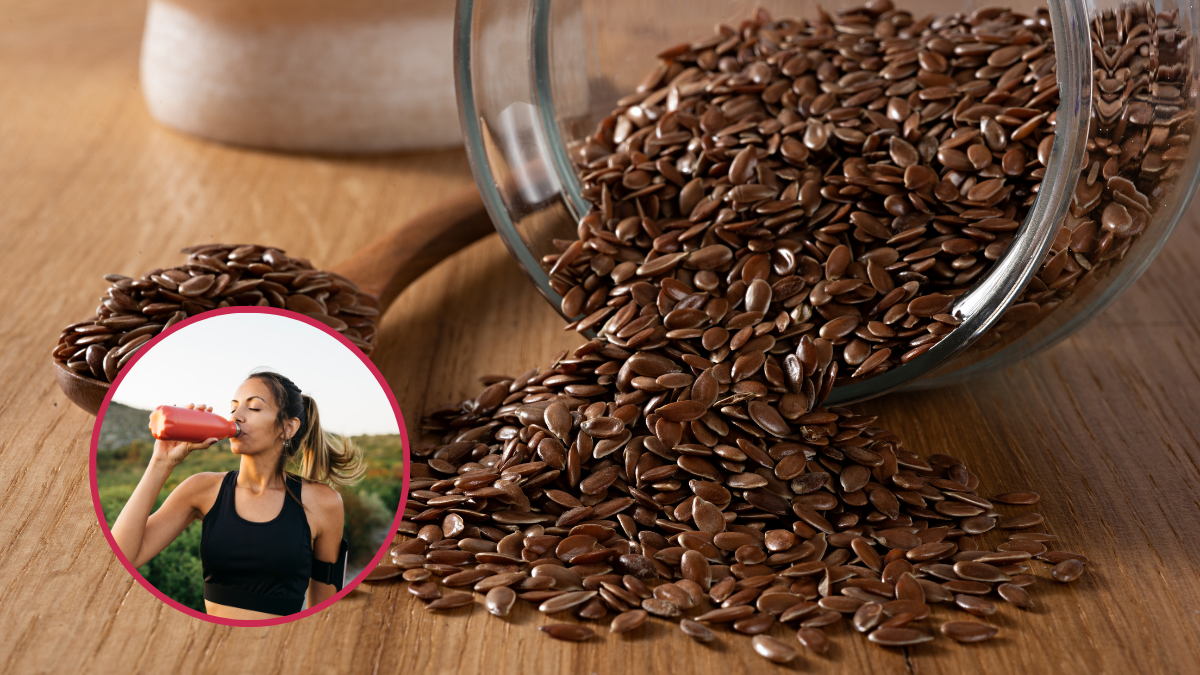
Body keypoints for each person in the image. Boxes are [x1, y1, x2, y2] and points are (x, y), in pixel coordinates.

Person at [111, 371, 364, 619]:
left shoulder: (322, 502)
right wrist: (160, 462)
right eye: (233, 408)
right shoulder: (202, 489)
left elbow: (325, 611)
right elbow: (119, 558)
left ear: (287, 427)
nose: (237, 416)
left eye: (253, 408)